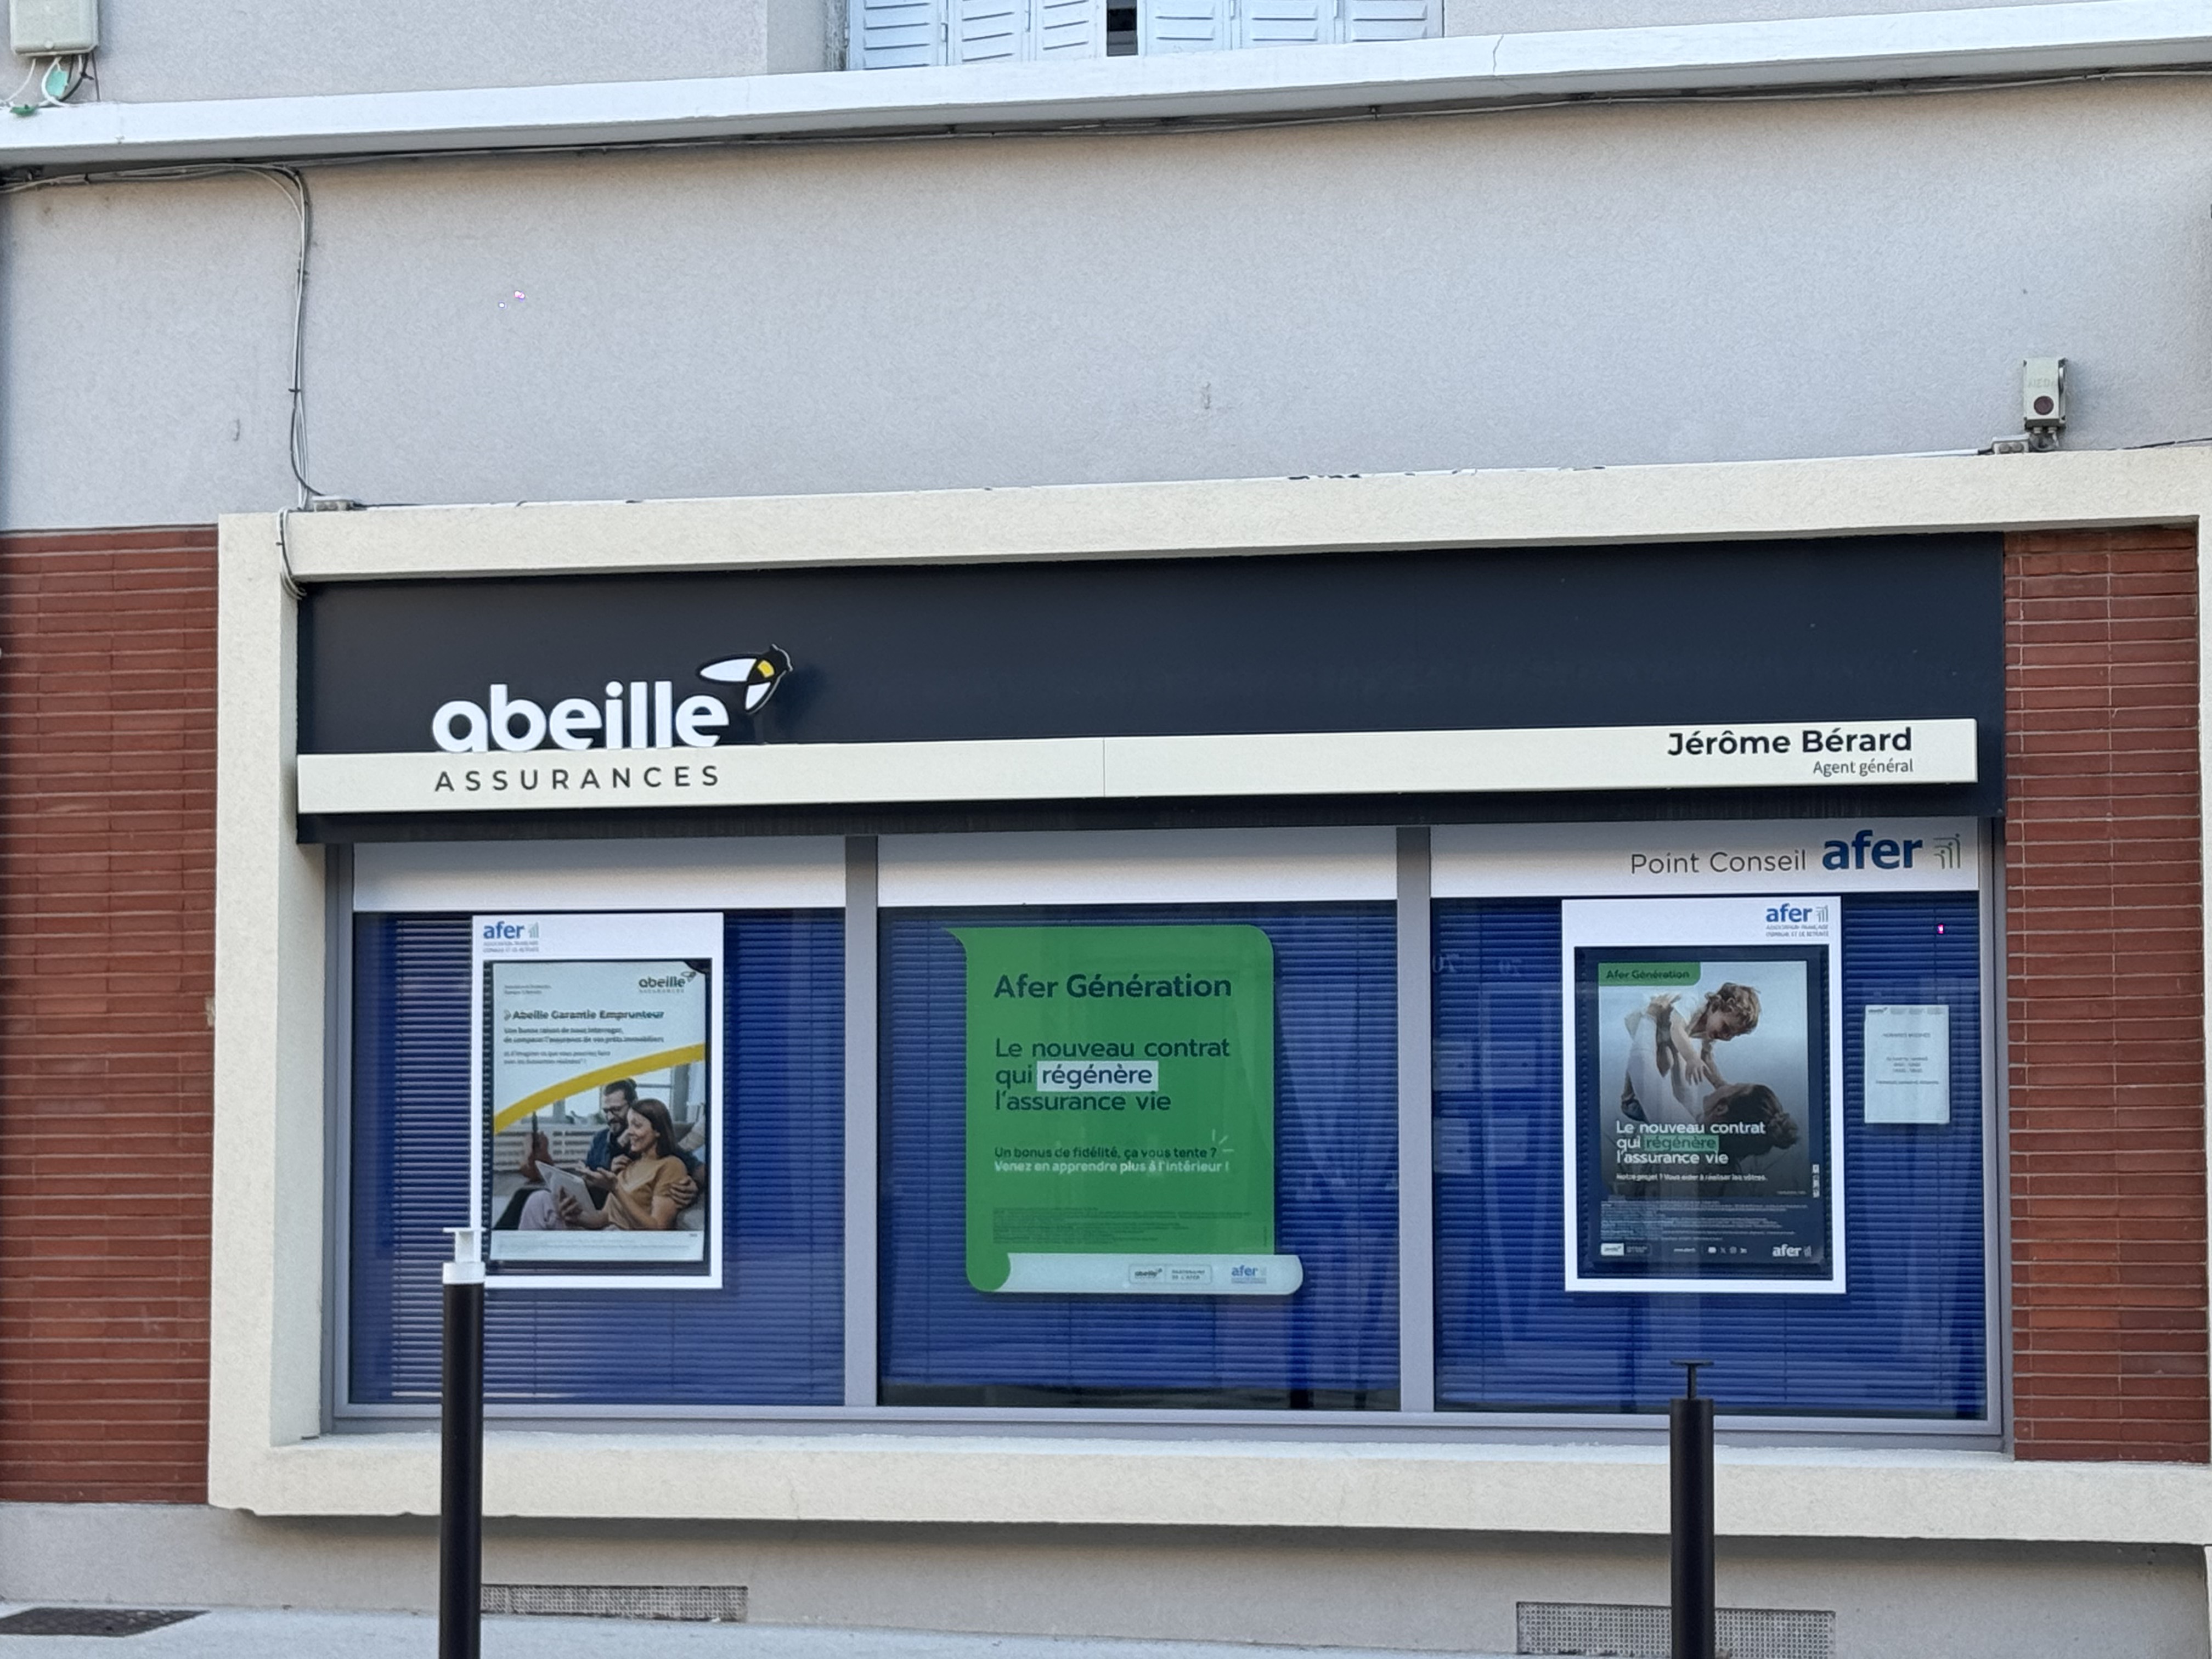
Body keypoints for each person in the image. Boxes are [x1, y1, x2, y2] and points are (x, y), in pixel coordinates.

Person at [520, 1099, 691, 1232]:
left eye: (637, 1126)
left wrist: (616, 1188)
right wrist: (575, 1216)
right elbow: (604, 1217)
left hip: (624, 1244)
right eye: (629, 1125)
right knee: (539, 1200)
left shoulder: (671, 1166)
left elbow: (658, 1228)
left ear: (658, 1131)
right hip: (604, 1233)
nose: (630, 1132)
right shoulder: (629, 1165)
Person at [1618, 982, 1760, 1124]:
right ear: (1716, 1007)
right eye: (1726, 1028)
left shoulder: (1712, 1030)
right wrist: (1692, 1058)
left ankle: (1645, 1100)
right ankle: (1629, 1098)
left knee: (1671, 1062)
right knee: (1663, 1060)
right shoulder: (1693, 1003)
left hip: (1666, 1035)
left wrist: (1719, 1084)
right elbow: (1677, 1029)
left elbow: (1706, 1058)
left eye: (1732, 1035)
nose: (1725, 1036)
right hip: (1652, 1018)